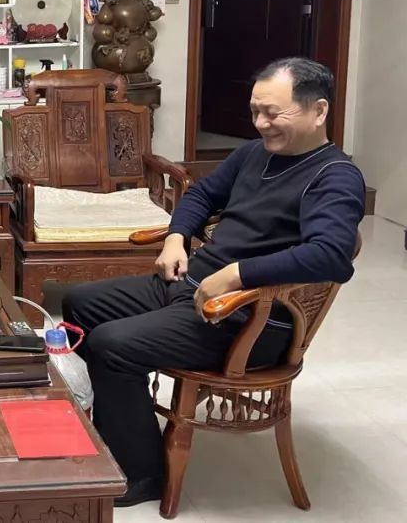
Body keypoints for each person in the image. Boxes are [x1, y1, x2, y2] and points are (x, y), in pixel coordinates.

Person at [62, 57, 365, 508]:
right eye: (255, 111)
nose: (260, 123)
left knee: (111, 345)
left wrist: (238, 273)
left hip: (250, 318)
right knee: (80, 303)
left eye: (273, 113)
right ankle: (123, 422)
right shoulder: (254, 153)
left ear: (318, 111)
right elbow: (202, 193)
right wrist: (177, 238)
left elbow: (331, 255)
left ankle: (142, 475)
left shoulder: (335, 177)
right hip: (193, 284)